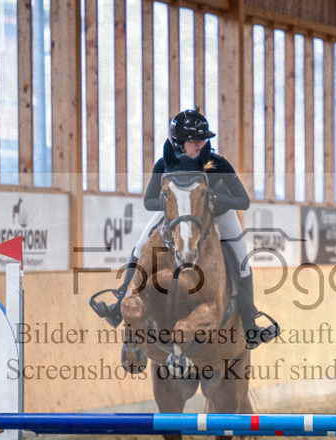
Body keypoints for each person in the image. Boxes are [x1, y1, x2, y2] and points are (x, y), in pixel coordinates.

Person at [91, 109, 279, 349]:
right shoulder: (165, 165)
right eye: (194, 140)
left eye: (203, 139)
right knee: (141, 243)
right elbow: (149, 202)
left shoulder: (217, 163)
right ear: (179, 142)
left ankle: (250, 323)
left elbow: (243, 200)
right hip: (178, 215)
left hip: (218, 214)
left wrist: (218, 198)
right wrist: (174, 204)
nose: (201, 143)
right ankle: (119, 302)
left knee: (241, 260)